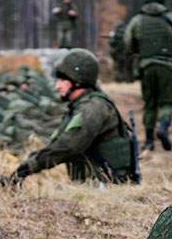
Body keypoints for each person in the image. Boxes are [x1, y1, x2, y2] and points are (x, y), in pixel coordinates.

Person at [12, 49, 135, 184]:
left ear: (77, 82)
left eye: (62, 80)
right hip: (95, 182)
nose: (57, 86)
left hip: (105, 184)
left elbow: (67, 146)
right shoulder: (83, 105)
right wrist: (28, 164)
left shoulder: (92, 108)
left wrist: (27, 168)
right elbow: (57, 143)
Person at [124, 0, 172, 151]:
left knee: (149, 103)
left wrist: (139, 50)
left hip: (146, 66)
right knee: (168, 101)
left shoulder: (137, 21)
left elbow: (128, 43)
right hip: (167, 66)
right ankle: (163, 126)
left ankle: (149, 140)